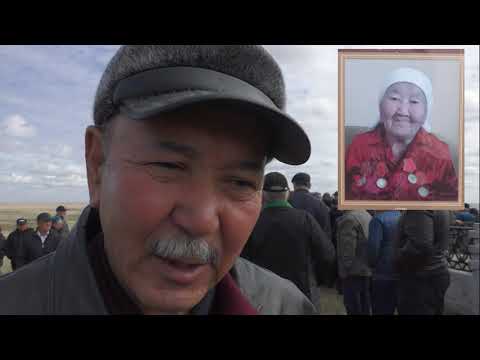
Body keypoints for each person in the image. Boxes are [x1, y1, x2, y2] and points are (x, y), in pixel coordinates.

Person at [0, 45, 317, 315]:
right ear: (97, 166)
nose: (201, 220)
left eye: (240, 182)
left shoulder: (284, 305)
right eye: (168, 166)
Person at [345, 67, 458, 201]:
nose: (403, 111)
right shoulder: (359, 145)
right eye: (394, 98)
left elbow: (448, 204)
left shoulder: (440, 153)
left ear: (427, 110)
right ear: (380, 106)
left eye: (414, 101)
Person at [241, 172, 335, 301]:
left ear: (262, 194)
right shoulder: (304, 219)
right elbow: (327, 254)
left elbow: (241, 262)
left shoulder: (251, 222)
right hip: (302, 292)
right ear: (287, 193)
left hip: (263, 294)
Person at [393, 210, 451, 315]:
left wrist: (396, 257)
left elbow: (419, 246)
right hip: (434, 273)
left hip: (420, 278)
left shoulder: (419, 205)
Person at [336, 209, 372, 315]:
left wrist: (345, 270)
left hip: (353, 271)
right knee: (364, 305)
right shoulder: (366, 214)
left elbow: (347, 249)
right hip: (365, 268)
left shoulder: (349, 219)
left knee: (353, 307)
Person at [367, 210, 401, 315]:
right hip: (400, 273)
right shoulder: (401, 216)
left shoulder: (377, 220)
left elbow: (373, 249)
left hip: (382, 274)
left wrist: (371, 264)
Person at [289, 172, 332, 238]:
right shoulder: (320, 204)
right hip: (314, 245)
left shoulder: (287, 201)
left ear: (294, 184)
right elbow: (326, 232)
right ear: (309, 185)